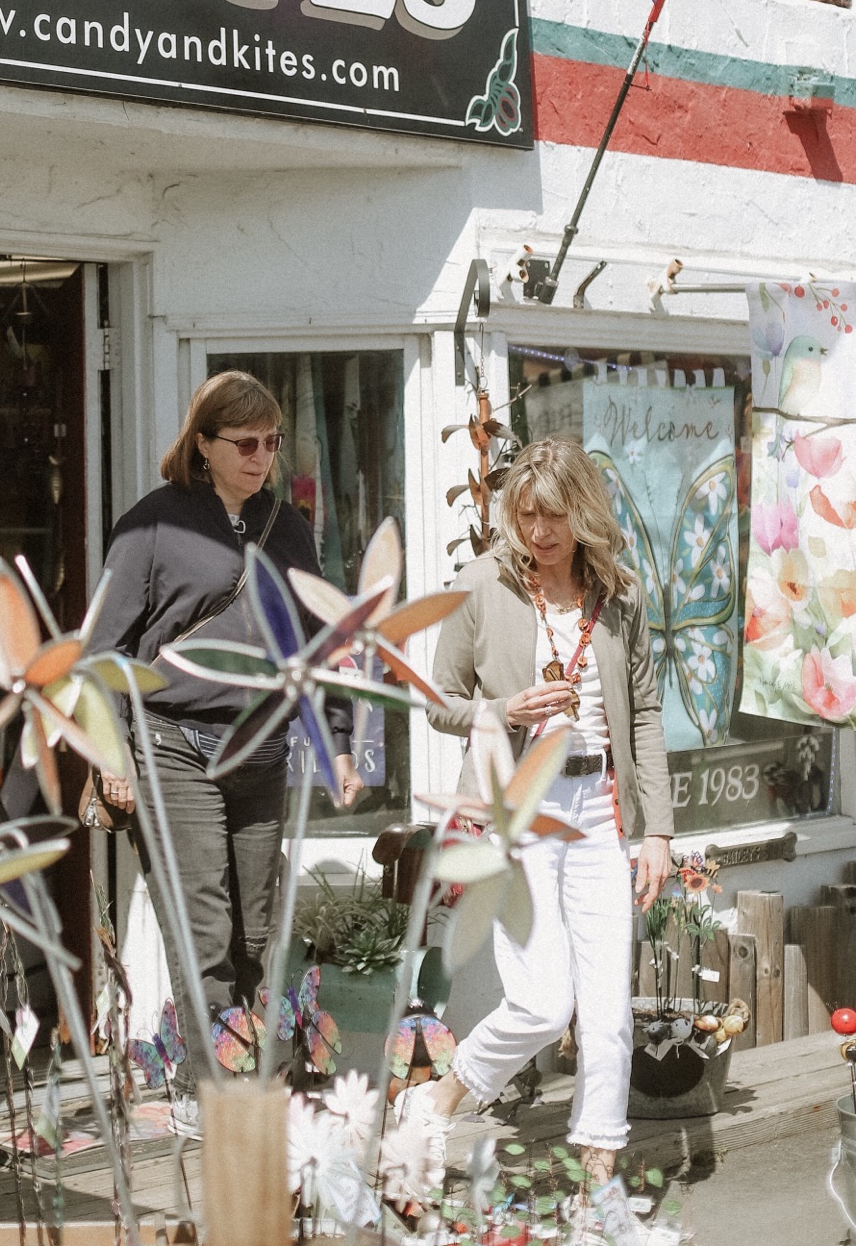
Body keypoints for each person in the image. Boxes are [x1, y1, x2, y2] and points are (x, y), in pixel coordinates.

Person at [402, 434, 672, 1212]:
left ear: (582, 512)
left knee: (608, 1008)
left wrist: (656, 831)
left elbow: (643, 713)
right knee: (542, 1002)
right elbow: (437, 699)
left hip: (597, 809)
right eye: (525, 516)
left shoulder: (617, 593)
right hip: (517, 806)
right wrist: (502, 709)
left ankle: (598, 1179)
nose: (539, 532)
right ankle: (439, 1099)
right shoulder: (483, 584)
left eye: (553, 515)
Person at [93, 369, 362, 1080]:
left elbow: (321, 644)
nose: (261, 456)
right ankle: (218, 1094)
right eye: (244, 443)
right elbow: (102, 652)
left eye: (272, 441)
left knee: (259, 932)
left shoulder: (289, 528)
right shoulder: (152, 525)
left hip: (261, 749)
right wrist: (111, 755)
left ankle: (256, 1083)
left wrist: (338, 744)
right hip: (173, 744)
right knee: (204, 927)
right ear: (203, 445)